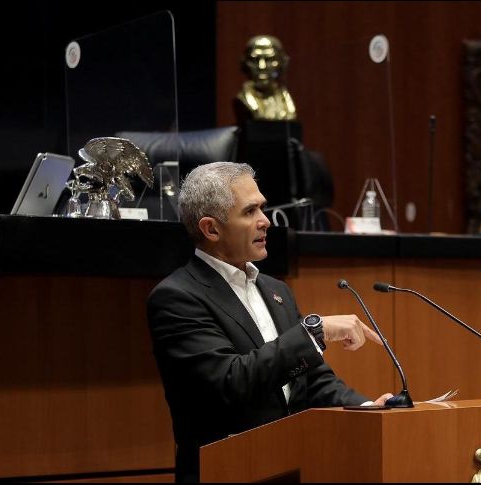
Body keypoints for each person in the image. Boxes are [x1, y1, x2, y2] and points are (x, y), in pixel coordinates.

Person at [147, 162, 393, 483]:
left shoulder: (277, 291)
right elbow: (230, 382)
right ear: (211, 229)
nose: (266, 221)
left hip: (294, 467)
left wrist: (368, 408)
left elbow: (312, 380)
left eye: (262, 208)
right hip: (227, 473)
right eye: (250, 212)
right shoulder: (177, 297)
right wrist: (314, 332)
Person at [235, 35, 297, 121]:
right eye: (255, 60)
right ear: (245, 64)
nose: (262, 66)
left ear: (282, 63)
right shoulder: (243, 99)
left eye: (269, 59)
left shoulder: (285, 98)